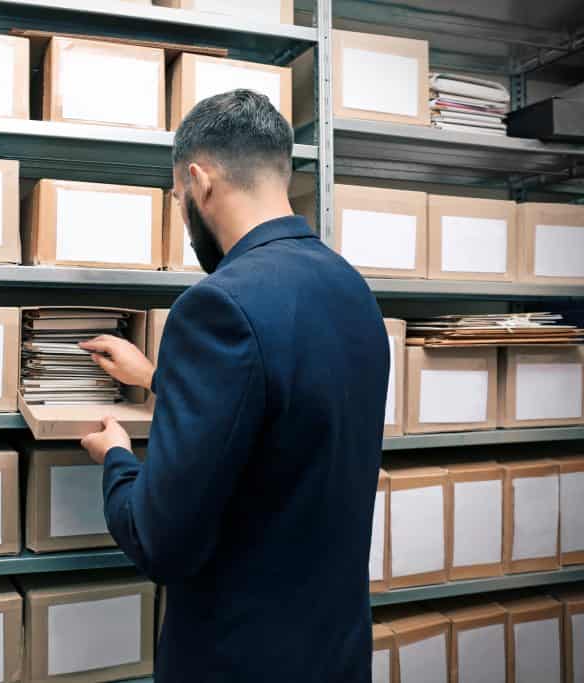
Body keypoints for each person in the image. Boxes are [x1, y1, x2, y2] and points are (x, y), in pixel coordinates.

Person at [78, 89, 389, 682]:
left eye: (177, 197)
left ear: (200, 181)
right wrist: (157, 377)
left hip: (239, 661)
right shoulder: (352, 290)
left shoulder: (216, 306)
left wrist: (116, 458)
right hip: (336, 657)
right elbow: (286, 412)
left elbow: (159, 541)